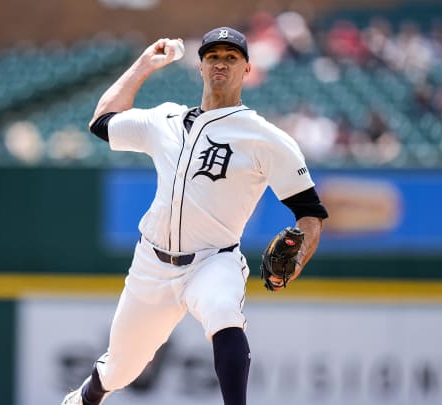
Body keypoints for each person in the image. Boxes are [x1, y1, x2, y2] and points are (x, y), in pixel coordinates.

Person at [62, 27, 328, 405]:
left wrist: (298, 259)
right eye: (213, 56)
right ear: (200, 66)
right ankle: (86, 396)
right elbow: (101, 122)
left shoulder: (266, 138)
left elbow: (310, 213)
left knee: (222, 311)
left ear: (247, 69)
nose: (221, 63)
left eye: (231, 57)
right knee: (121, 368)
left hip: (213, 260)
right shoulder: (164, 120)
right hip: (152, 265)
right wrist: (143, 65)